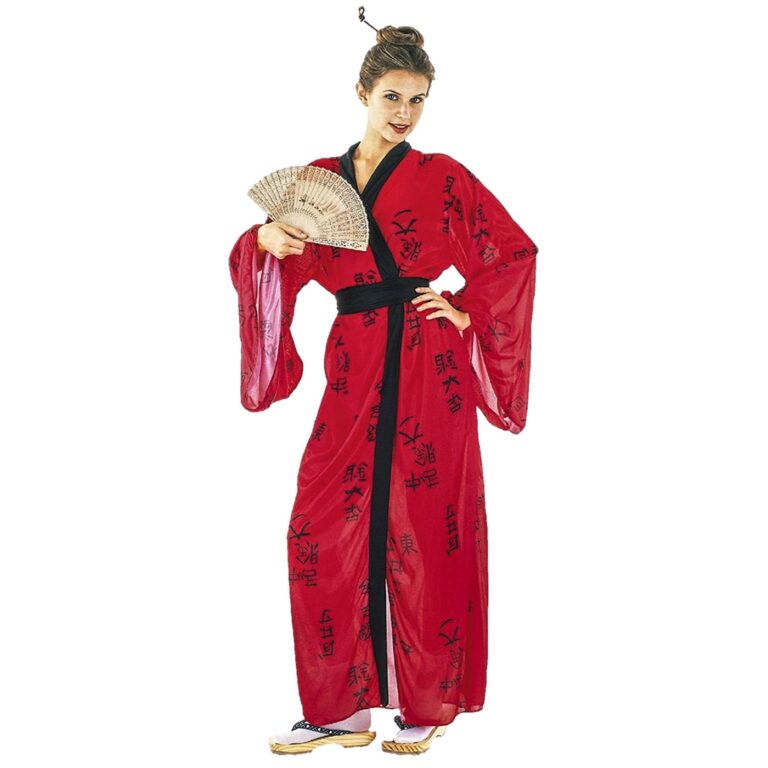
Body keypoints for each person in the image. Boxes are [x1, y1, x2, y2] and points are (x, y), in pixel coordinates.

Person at [228, 12, 538, 756]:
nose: (404, 113)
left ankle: (427, 699)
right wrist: (264, 240)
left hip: (429, 361)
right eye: (392, 96)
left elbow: (512, 253)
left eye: (417, 100)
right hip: (356, 358)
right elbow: (278, 261)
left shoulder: (444, 177)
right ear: (361, 92)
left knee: (426, 524)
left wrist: (464, 309)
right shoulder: (319, 182)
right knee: (318, 523)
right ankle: (339, 709)